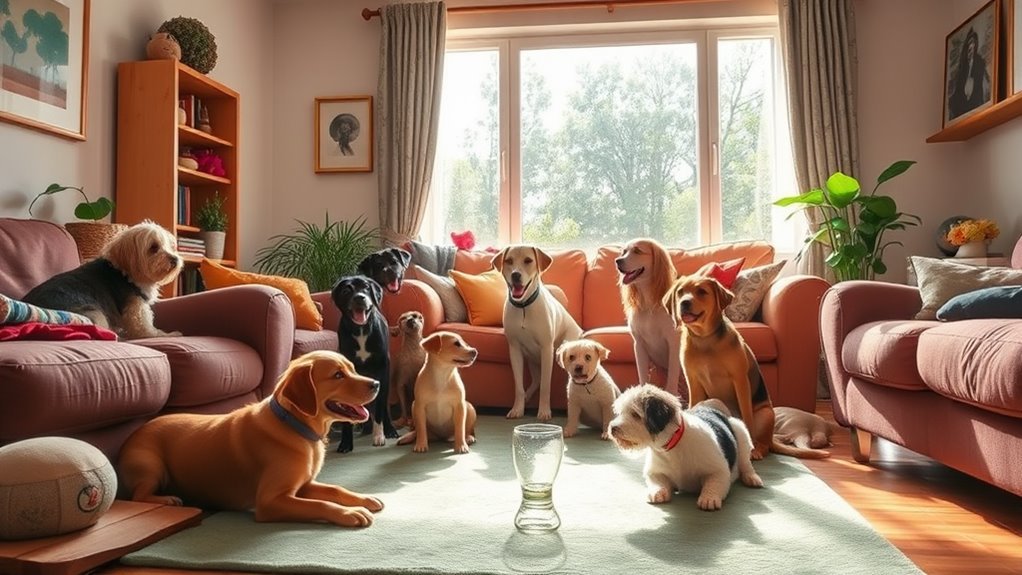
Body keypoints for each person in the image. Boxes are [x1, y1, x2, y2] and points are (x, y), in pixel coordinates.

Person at [948, 27, 990, 120]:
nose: (971, 52)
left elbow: (983, 84)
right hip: (962, 102)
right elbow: (958, 88)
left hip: (975, 100)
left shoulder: (979, 62)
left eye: (973, 48)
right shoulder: (963, 66)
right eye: (969, 49)